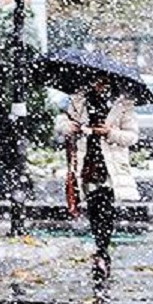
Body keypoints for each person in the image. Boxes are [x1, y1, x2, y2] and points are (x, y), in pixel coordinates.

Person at [55, 78, 139, 286]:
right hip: (88, 160)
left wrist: (109, 133)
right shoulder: (79, 100)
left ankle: (102, 252)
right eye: (96, 82)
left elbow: (132, 137)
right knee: (94, 207)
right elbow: (61, 124)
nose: (99, 86)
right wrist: (70, 126)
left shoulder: (123, 105)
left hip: (110, 164)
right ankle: (101, 250)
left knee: (106, 208)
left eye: (103, 83)